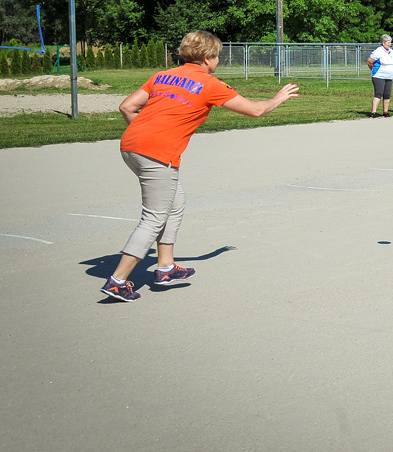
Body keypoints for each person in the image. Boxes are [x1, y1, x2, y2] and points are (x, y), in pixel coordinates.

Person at [101, 31, 299, 302]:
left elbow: (127, 107)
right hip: (158, 154)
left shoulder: (162, 76)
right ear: (207, 58)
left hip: (131, 146)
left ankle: (166, 267)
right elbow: (255, 110)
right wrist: (278, 98)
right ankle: (117, 281)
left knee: (175, 203)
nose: (218, 61)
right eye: (217, 56)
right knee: (154, 217)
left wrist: (145, 133)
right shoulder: (209, 83)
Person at [367, 34, 393, 117]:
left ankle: (385, 111)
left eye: (390, 42)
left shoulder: (391, 51)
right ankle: (373, 112)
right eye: (388, 42)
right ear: (383, 43)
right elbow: (369, 61)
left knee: (387, 94)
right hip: (379, 76)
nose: (389, 44)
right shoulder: (378, 51)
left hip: (389, 76)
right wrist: (373, 69)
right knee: (378, 93)